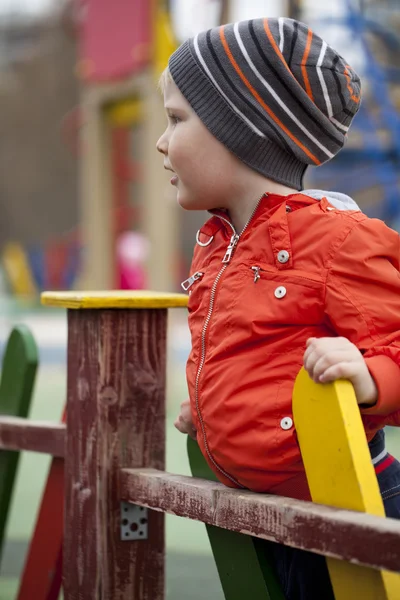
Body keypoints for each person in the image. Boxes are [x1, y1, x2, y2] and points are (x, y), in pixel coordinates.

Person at [156, 17, 400, 599]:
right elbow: (256, 346)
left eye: (176, 119)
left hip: (348, 505)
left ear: (239, 129)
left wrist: (369, 378)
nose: (163, 142)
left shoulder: (341, 241)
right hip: (269, 517)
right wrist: (219, 407)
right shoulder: (220, 243)